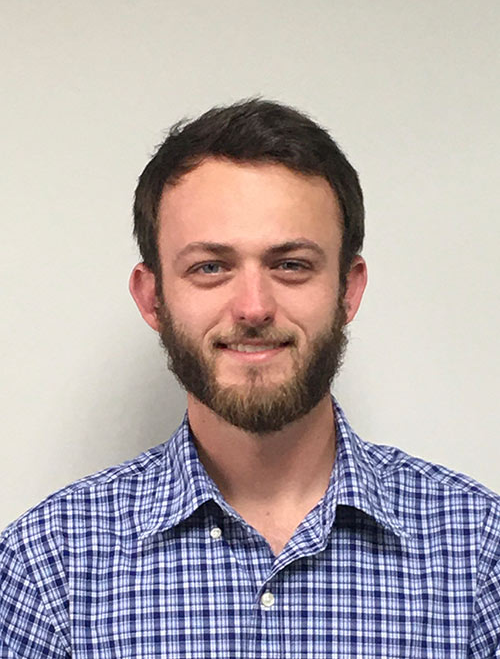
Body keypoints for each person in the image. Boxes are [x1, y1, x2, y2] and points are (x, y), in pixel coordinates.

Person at [1, 99, 499, 658]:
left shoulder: (478, 554)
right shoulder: (47, 569)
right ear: (153, 298)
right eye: (210, 267)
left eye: (290, 264)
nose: (254, 308)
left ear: (349, 289)